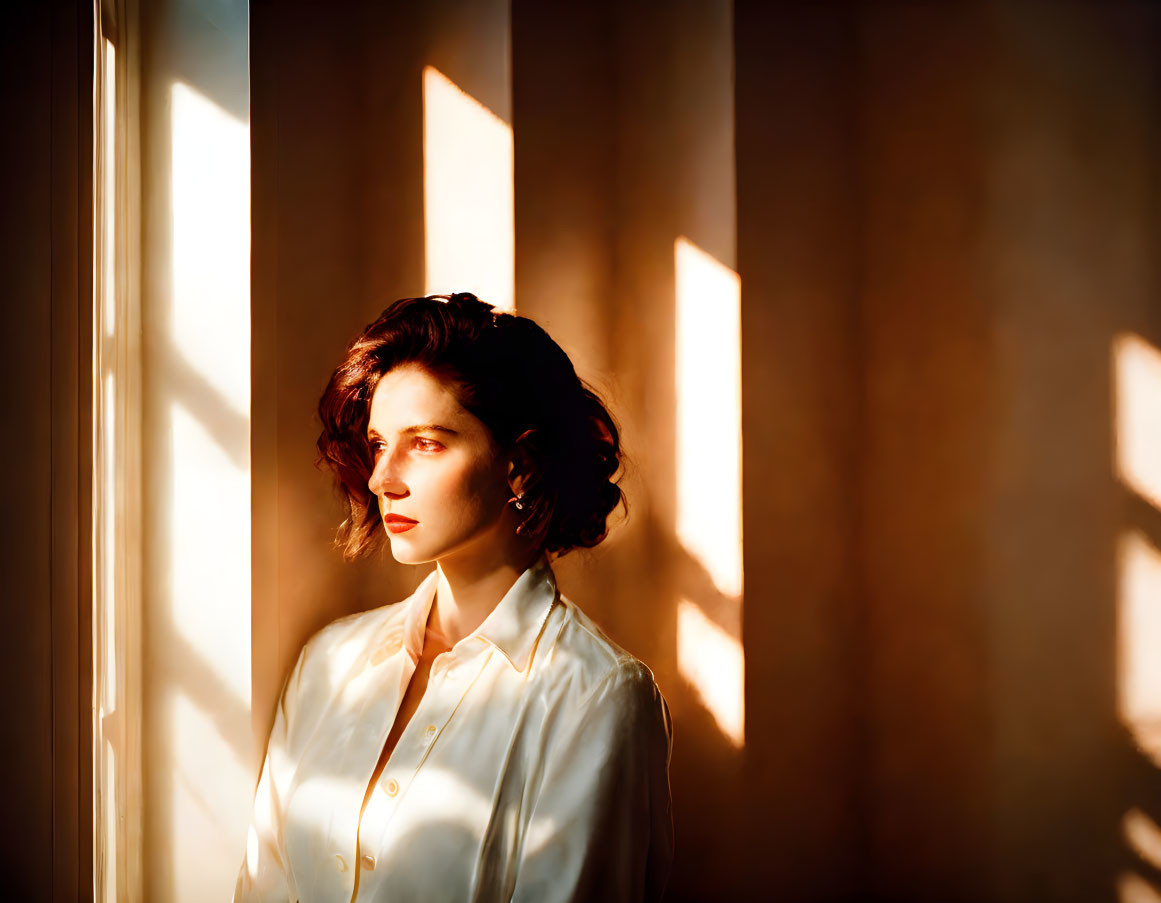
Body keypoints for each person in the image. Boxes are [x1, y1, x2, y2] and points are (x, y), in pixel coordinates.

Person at [233, 293, 674, 902]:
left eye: (427, 443)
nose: (382, 478)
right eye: (381, 443)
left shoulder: (595, 697)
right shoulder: (327, 663)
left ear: (518, 466)